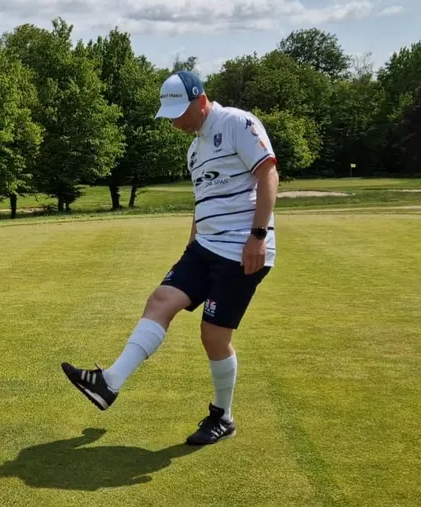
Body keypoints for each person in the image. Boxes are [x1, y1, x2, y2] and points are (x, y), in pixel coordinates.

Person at [60, 70, 279, 446]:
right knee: (161, 299)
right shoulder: (194, 150)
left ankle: (222, 417)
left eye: (180, 111)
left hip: (240, 249)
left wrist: (258, 237)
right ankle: (109, 383)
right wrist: (189, 249)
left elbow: (268, 175)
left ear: (200, 100)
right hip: (204, 248)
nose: (175, 120)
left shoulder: (238, 123)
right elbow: (202, 204)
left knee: (213, 335)